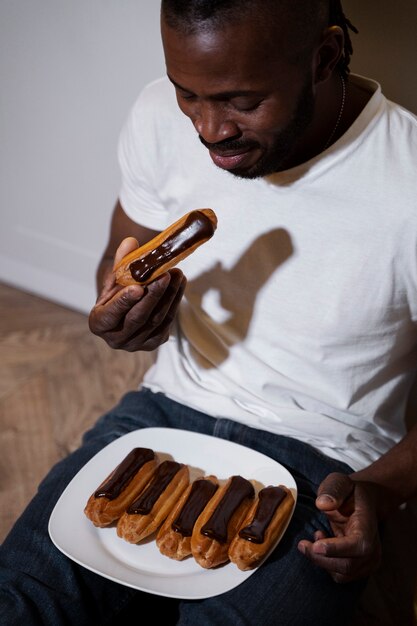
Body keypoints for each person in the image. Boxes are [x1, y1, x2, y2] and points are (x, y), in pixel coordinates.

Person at [1, 0, 417, 624]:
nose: (208, 130)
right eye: (186, 95)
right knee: (21, 600)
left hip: (326, 461)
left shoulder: (406, 177)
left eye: (242, 102)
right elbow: (118, 263)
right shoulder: (155, 115)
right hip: (160, 417)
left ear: (324, 57)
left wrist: (380, 496)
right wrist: (121, 317)